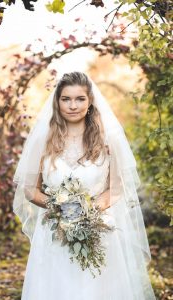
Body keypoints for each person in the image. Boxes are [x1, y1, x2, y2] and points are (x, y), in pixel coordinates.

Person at [13, 72, 156, 300]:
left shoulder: (108, 139)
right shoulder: (44, 140)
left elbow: (116, 188)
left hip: (98, 230)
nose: (72, 105)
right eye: (65, 99)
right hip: (54, 234)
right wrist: (60, 208)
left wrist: (87, 212)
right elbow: (30, 189)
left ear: (90, 102)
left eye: (79, 99)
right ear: (57, 102)